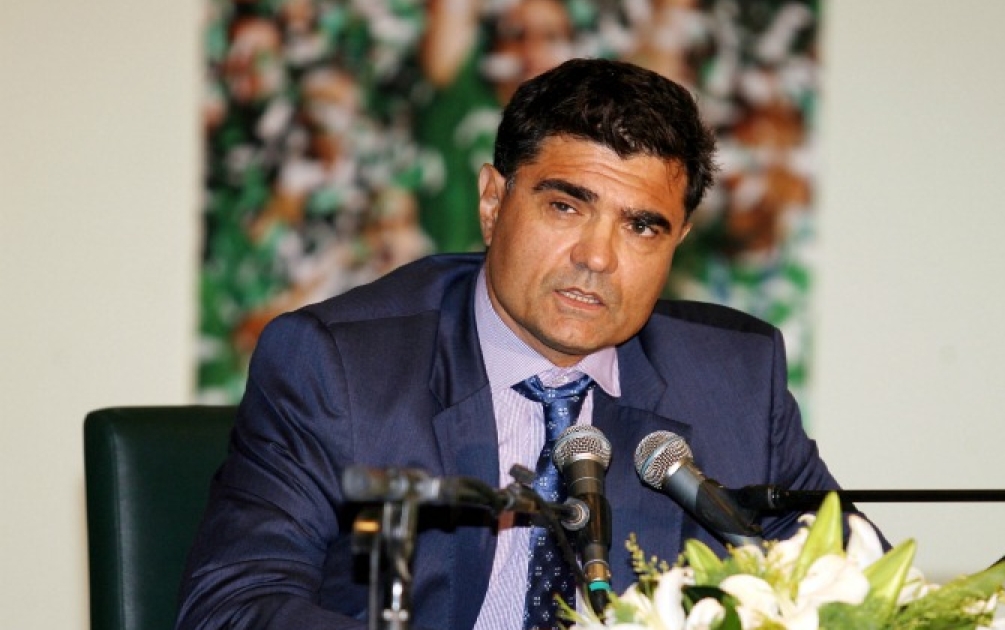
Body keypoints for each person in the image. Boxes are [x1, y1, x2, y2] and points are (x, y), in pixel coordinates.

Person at [177, 57, 855, 630]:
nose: (597, 257)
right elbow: (235, 604)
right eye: (565, 206)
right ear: (492, 201)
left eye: (641, 228)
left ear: (677, 240)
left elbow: (855, 585)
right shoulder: (340, 366)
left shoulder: (736, 379)